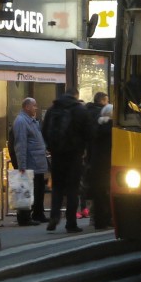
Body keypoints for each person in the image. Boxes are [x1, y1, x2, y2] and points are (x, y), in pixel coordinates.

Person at [42, 88, 92, 233]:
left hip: (57, 154)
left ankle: (54, 216)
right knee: (72, 189)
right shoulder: (80, 110)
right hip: (74, 155)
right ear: (76, 96)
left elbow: (44, 130)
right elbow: (90, 133)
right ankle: (71, 222)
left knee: (57, 187)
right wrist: (83, 149)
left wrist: (52, 147)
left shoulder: (53, 109)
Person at [12, 97, 50, 226]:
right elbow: (20, 145)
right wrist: (21, 165)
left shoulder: (31, 121)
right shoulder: (21, 121)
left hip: (37, 162)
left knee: (38, 190)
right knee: (26, 190)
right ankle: (24, 218)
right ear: (27, 107)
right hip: (30, 163)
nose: (36, 108)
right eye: (34, 106)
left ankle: (38, 214)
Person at [88, 104, 114, 230]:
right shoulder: (112, 128)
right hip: (108, 165)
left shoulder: (96, 126)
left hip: (95, 165)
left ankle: (99, 221)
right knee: (108, 193)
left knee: (98, 195)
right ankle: (107, 219)